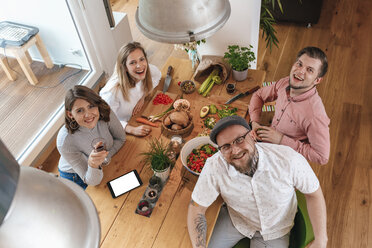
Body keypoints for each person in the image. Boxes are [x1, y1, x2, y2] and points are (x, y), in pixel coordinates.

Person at [187, 115, 328, 248]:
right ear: (220, 151)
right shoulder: (214, 165)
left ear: (253, 136)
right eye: (226, 146)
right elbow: (196, 207)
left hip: (275, 231)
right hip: (236, 221)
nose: (235, 150)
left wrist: (321, 240)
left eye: (239, 139)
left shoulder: (288, 160)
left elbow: (313, 194)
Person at [248, 46, 330, 165]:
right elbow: (258, 95)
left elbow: (322, 157)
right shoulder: (285, 82)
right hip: (265, 141)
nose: (300, 71)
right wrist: (254, 122)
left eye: (310, 70)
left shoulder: (315, 115)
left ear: (317, 80)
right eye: (299, 64)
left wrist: (281, 140)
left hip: (284, 159)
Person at [57, 85, 126, 189]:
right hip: (75, 176)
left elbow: (121, 139)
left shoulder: (105, 112)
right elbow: (92, 181)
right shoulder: (65, 141)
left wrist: (104, 159)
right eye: (80, 110)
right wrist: (93, 165)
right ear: (70, 114)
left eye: (91, 106)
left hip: (102, 165)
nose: (88, 114)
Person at [100, 41, 161, 137]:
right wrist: (131, 129)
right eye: (132, 62)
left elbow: (157, 75)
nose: (139, 65)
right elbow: (106, 121)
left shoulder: (145, 70)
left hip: (136, 117)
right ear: (125, 68)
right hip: (121, 130)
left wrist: (143, 97)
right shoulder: (111, 93)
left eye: (142, 59)